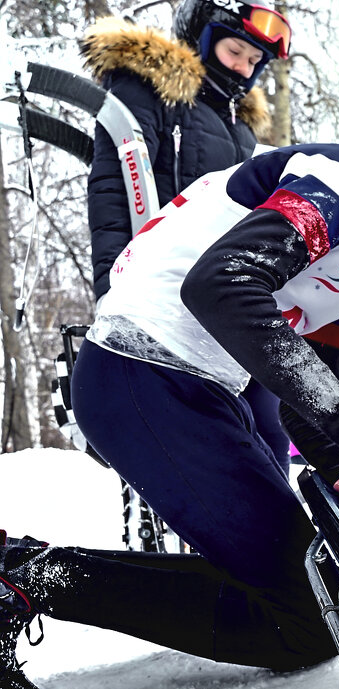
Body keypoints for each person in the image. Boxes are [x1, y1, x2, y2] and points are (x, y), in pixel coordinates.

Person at [0, 148, 339, 689]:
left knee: (312, 599)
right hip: (142, 371)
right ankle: (27, 575)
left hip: (201, 387)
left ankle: (30, 573)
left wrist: (338, 458)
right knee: (305, 620)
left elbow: (308, 393)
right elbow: (219, 284)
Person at [81, 0, 294, 466]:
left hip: (224, 293)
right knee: (200, 433)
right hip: (161, 292)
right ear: (201, 33)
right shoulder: (148, 87)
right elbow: (114, 194)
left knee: (266, 424)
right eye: (236, 50)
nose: (244, 68)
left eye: (255, 61)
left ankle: (277, 533)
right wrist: (111, 295)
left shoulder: (238, 125)